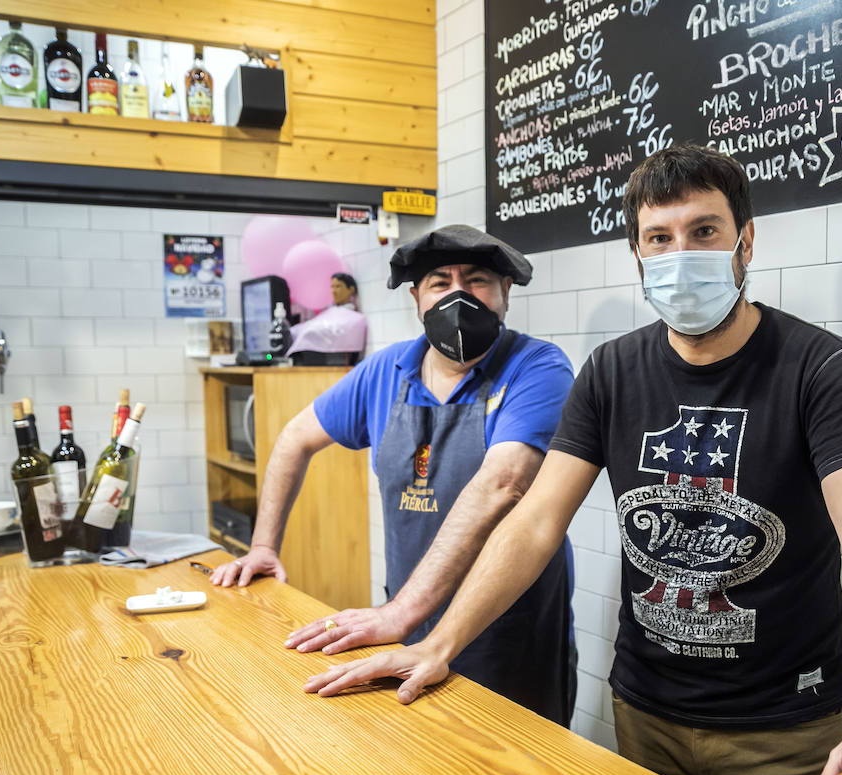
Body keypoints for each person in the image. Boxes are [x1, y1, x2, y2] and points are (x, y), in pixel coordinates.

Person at [303, 146, 842, 775]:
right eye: (659, 238)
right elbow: (536, 520)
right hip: (645, 717)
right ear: (636, 252)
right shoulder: (611, 371)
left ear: (745, 240)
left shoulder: (818, 366)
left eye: (704, 231)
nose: (680, 253)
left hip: (784, 730)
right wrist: (438, 642)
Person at [210, 225, 578, 726]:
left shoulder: (536, 367)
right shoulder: (386, 371)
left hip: (507, 635)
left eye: (477, 281)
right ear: (416, 298)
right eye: (440, 283)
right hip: (403, 630)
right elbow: (295, 438)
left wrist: (400, 612)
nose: (459, 296)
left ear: (506, 291)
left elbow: (502, 484)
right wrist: (263, 546)